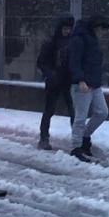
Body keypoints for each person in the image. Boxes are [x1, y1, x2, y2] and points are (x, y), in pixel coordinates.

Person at [68, 15, 109, 162]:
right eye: (102, 30)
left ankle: (85, 137)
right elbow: (74, 61)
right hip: (82, 84)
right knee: (80, 117)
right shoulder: (79, 39)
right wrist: (80, 79)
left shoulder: (92, 39)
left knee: (102, 112)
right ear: (96, 27)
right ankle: (76, 147)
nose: (103, 33)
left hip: (94, 83)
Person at [36, 15, 75, 150]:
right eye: (65, 29)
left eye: (69, 29)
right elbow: (41, 62)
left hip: (68, 81)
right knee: (49, 110)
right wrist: (51, 74)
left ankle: (77, 141)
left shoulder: (73, 43)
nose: (67, 31)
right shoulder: (51, 43)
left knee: (73, 111)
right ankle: (44, 138)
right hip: (54, 81)